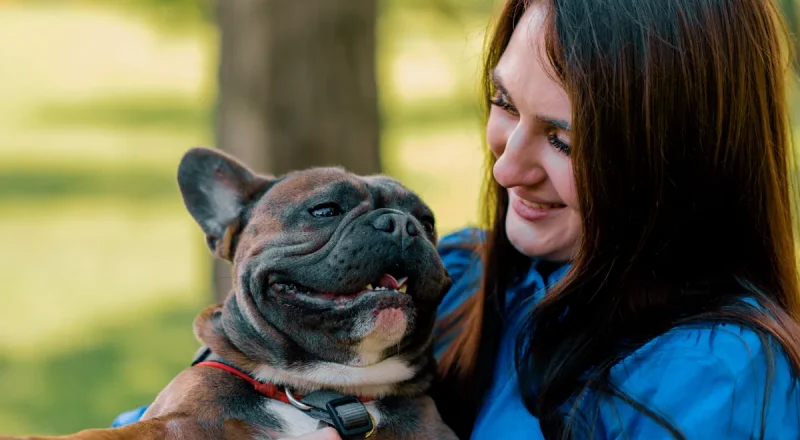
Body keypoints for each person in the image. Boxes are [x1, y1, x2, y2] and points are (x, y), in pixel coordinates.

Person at [112, 0, 800, 438]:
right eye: (505, 104)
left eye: (564, 140)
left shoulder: (718, 373)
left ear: (678, 162)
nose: (506, 169)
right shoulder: (465, 274)